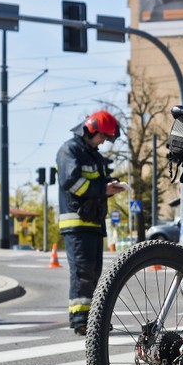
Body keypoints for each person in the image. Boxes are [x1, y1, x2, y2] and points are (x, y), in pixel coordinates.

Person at [56, 110, 125, 335]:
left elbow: (97, 182)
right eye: (102, 136)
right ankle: (80, 320)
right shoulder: (70, 150)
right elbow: (72, 182)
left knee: (94, 273)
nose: (103, 141)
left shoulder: (93, 155)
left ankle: (94, 319)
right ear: (91, 129)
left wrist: (111, 184)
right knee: (82, 272)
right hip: (77, 222)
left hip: (94, 222)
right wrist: (102, 189)